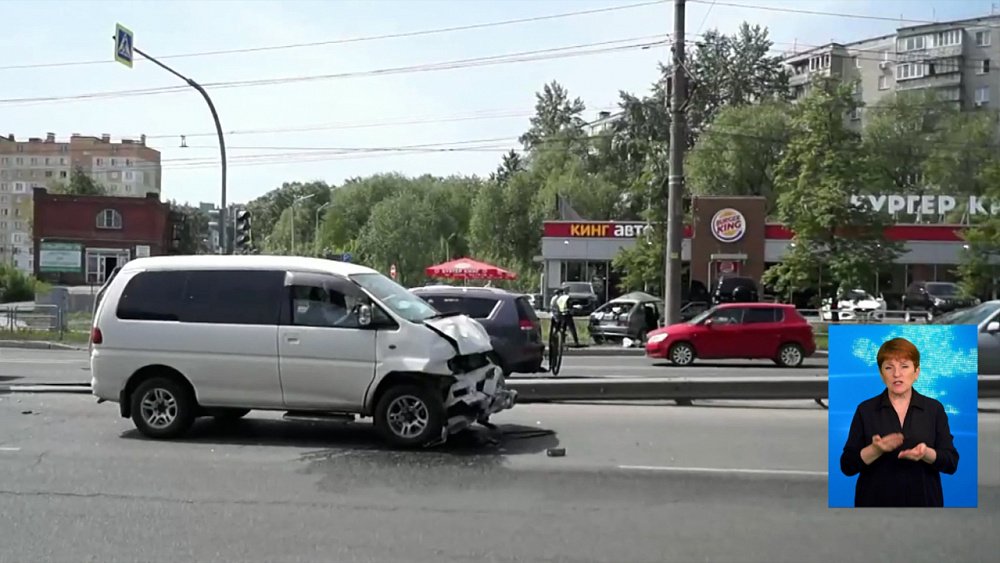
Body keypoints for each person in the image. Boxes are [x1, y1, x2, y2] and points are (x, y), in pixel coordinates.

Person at [839, 337, 959, 507]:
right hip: (874, 503)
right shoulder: (865, 410)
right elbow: (847, 466)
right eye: (889, 367)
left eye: (904, 366)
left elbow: (951, 463)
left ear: (916, 372)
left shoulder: (934, 409)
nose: (897, 374)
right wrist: (875, 449)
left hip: (924, 502)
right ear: (881, 374)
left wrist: (926, 454)